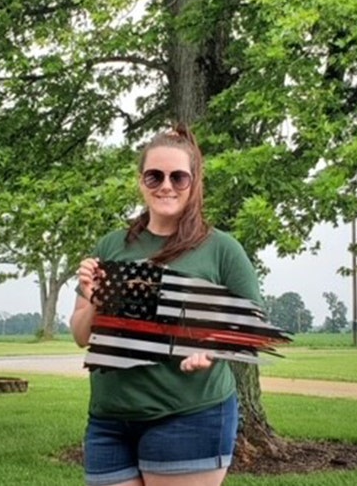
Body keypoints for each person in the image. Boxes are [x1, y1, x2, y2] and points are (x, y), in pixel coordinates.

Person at [70, 124, 263, 486]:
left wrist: (212, 348)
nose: (166, 186)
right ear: (141, 181)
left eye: (179, 177)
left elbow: (251, 326)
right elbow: (81, 337)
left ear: (194, 183)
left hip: (190, 415)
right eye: (155, 176)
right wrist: (94, 301)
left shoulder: (220, 249)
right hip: (109, 422)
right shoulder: (112, 246)